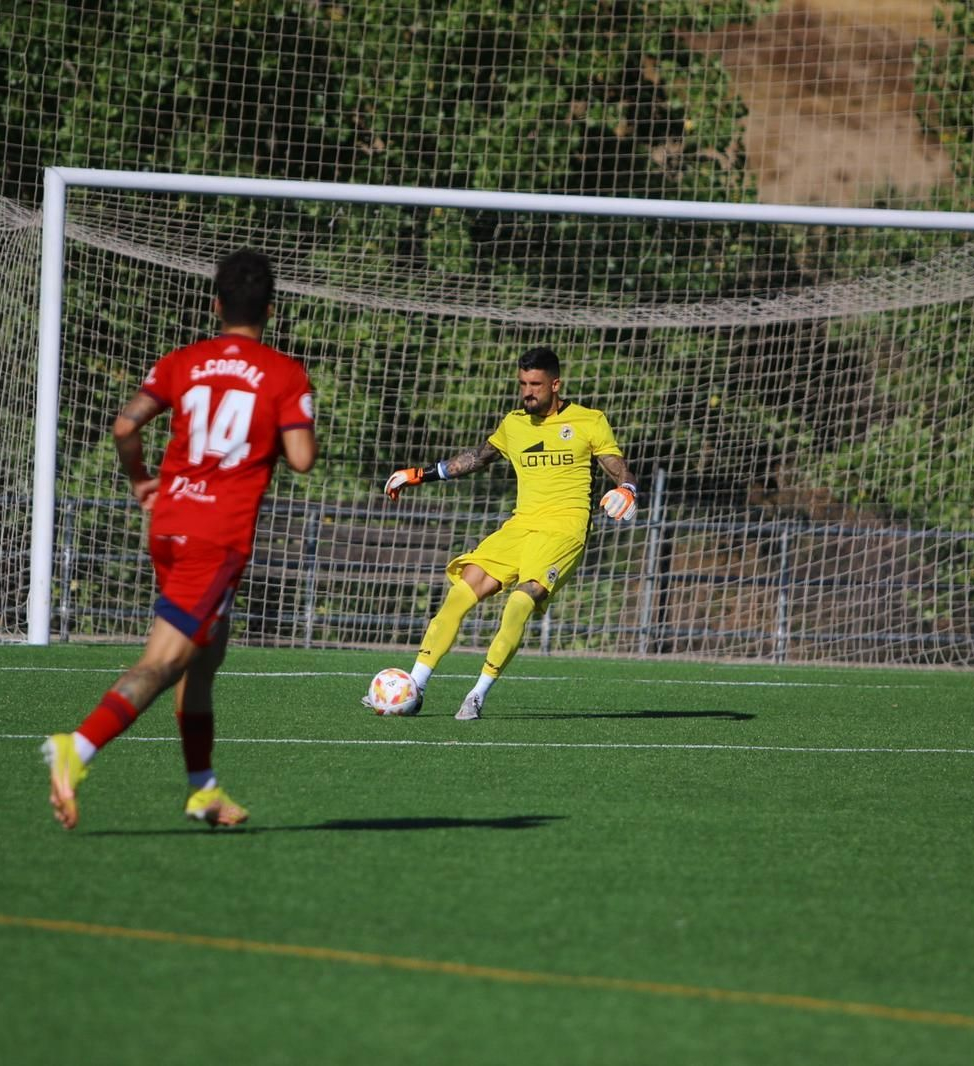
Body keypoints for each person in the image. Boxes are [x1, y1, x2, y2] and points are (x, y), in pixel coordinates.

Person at [42, 249, 316, 830]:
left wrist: (142, 481)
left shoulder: (183, 361)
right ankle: (78, 748)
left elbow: (124, 425)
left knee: (205, 658)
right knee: (164, 662)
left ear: (216, 305)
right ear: (270, 309)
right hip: (216, 538)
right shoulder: (284, 373)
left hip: (166, 523)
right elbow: (302, 458)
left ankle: (203, 789)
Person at [375, 346, 636, 720]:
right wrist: (422, 474)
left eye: (535, 385)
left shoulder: (589, 421)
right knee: (461, 591)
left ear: (555, 384)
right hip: (520, 525)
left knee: (518, 603)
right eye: (522, 384)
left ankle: (477, 694)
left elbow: (618, 468)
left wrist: (627, 489)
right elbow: (477, 458)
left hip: (563, 530)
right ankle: (413, 688)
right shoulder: (513, 424)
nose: (527, 392)